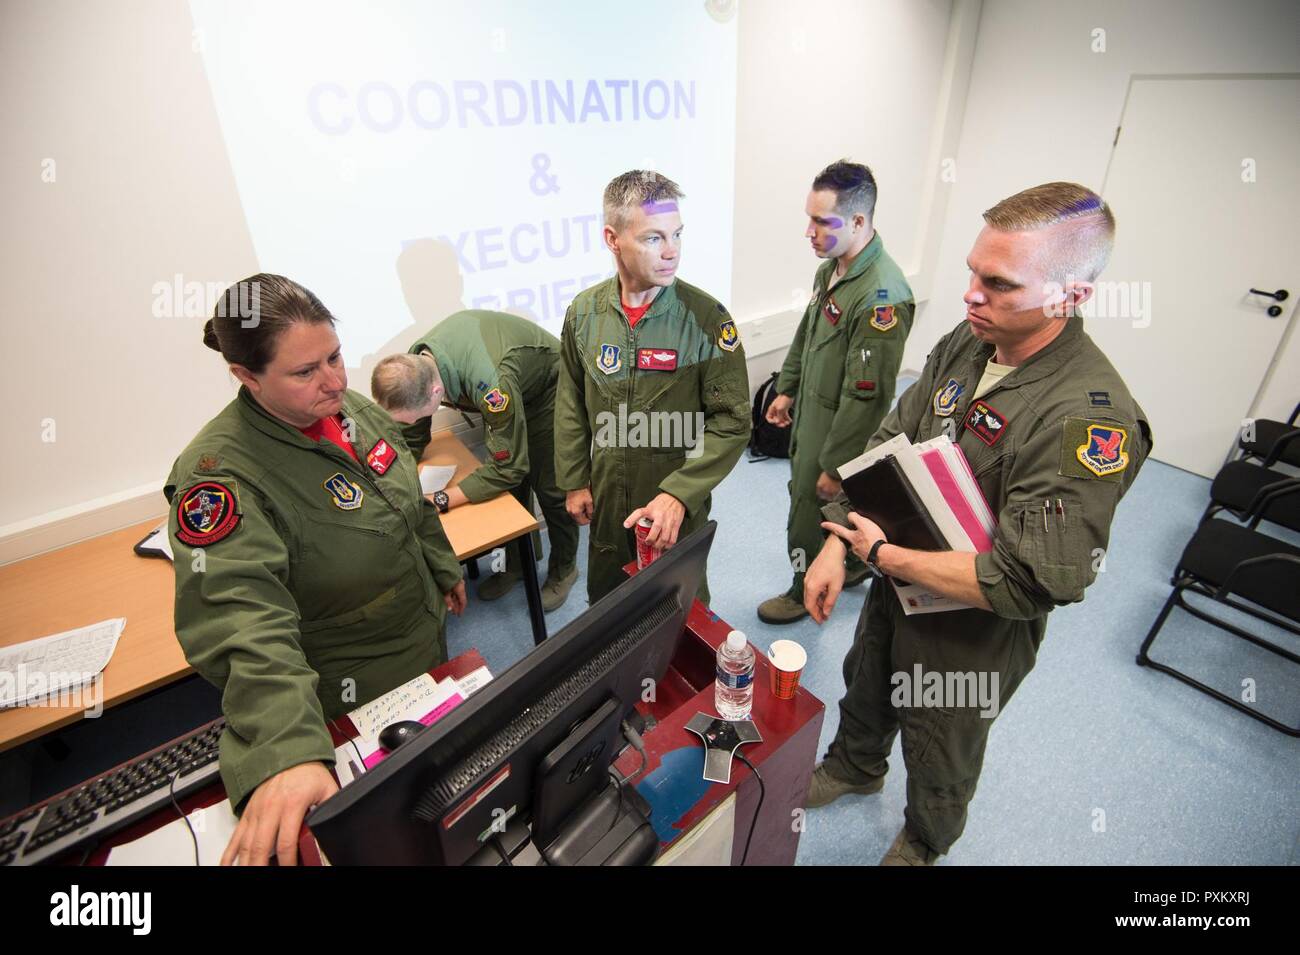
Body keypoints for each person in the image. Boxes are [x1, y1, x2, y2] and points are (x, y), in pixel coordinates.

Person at [802, 183, 1152, 865]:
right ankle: (855, 765)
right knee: (867, 677)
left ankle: (926, 840)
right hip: (894, 578)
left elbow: (1028, 581)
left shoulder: (1087, 420)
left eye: (998, 283)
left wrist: (887, 554)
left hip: (973, 625)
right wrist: (836, 544)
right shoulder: (971, 339)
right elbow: (889, 442)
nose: (970, 293)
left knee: (943, 736)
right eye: (972, 270)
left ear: (1069, 296)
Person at [165, 274, 467, 866]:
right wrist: (286, 748)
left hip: (421, 636)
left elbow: (404, 500)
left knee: (444, 802)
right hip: (347, 682)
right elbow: (241, 620)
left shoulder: (348, 409)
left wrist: (442, 565)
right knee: (386, 831)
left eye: (333, 356)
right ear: (246, 377)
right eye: (305, 372)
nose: (334, 380)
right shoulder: (220, 478)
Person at [554, 170, 751, 604]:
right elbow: (570, 399)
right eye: (653, 238)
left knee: (679, 607)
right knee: (609, 604)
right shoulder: (584, 314)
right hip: (607, 493)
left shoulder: (705, 320)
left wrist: (679, 493)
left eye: (677, 235)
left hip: (675, 497)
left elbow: (732, 422)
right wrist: (573, 479)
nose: (672, 251)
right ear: (613, 238)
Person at [759, 160, 914, 624]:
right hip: (811, 408)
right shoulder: (831, 270)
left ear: (859, 222)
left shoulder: (881, 298)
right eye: (809, 218)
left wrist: (837, 468)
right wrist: (786, 388)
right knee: (804, 494)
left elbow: (868, 401)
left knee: (811, 505)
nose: (809, 231)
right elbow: (807, 334)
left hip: (839, 428)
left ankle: (800, 588)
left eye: (822, 222)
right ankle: (848, 563)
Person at [371, 309, 579, 611]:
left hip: (546, 390)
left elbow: (509, 467)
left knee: (549, 487)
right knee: (511, 489)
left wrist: (441, 499)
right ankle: (517, 564)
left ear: (436, 393)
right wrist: (400, 478)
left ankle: (565, 569)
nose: (415, 421)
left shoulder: (494, 386)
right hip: (507, 381)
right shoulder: (413, 368)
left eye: (420, 414)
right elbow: (413, 434)